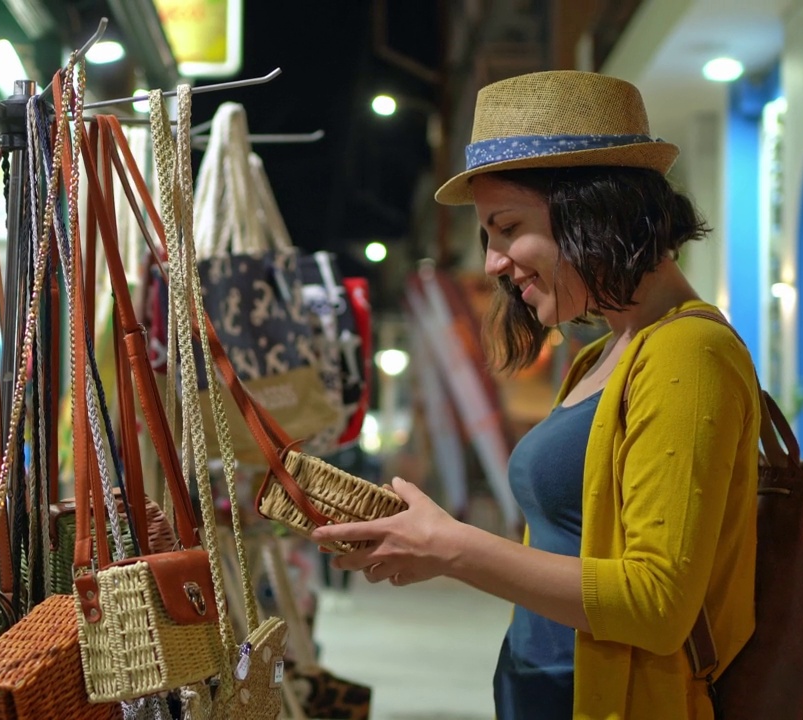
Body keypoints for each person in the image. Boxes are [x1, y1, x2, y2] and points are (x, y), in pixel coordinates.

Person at [312, 70, 761, 720]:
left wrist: (457, 548)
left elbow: (658, 604)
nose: (493, 262)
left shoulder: (687, 353)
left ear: (592, 208)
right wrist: (439, 549)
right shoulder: (599, 358)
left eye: (507, 226)